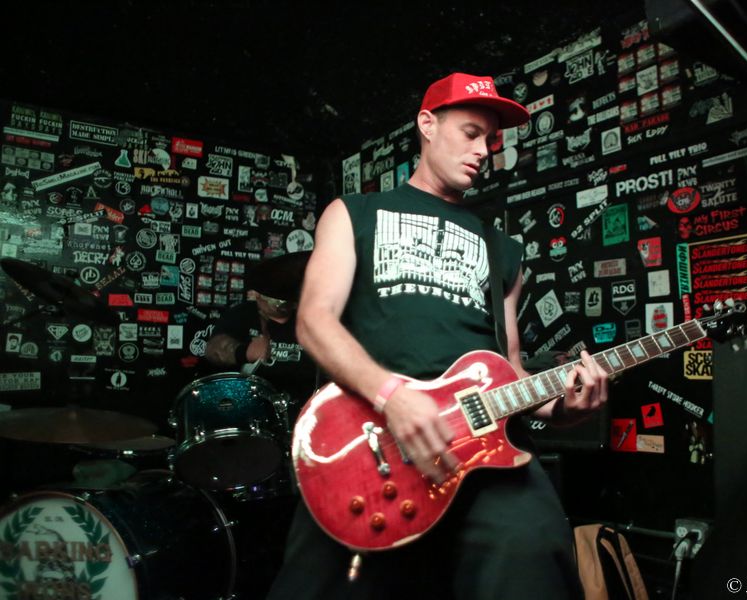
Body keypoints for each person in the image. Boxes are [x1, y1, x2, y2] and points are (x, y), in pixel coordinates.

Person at [267, 72, 609, 600]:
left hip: (486, 447)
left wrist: (563, 409)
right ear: (427, 125)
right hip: (373, 439)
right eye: (471, 133)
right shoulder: (354, 213)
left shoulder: (502, 250)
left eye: (490, 141)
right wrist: (392, 395)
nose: (484, 151)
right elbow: (314, 320)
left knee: (535, 554)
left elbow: (510, 366)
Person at [204, 252, 318, 408]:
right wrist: (244, 352)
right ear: (257, 293)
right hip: (253, 409)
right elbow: (213, 350)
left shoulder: (310, 319)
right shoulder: (241, 314)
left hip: (303, 409)